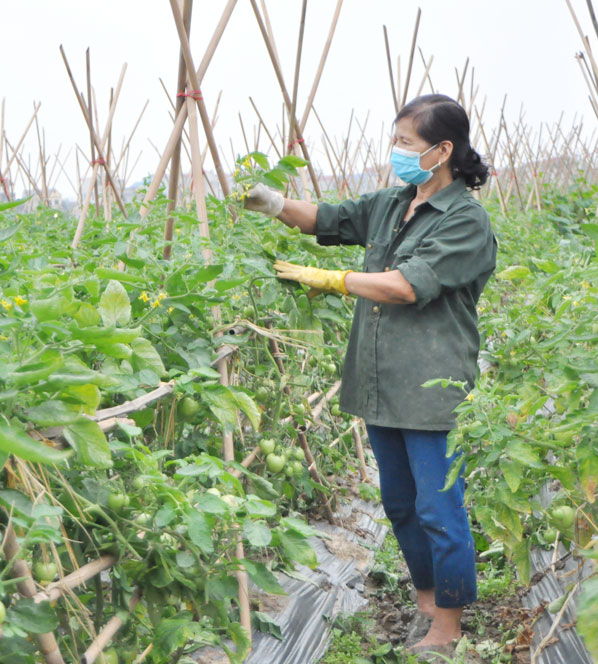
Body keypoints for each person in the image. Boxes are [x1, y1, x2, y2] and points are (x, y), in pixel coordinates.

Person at [243, 94, 497, 654]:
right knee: (402, 505)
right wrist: (274, 203)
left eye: (406, 143)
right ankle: (427, 605)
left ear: (442, 150)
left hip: (431, 387)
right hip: (381, 385)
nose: (396, 151)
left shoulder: (465, 220)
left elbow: (406, 285)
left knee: (438, 508)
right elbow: (329, 218)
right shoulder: (393, 202)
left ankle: (449, 627)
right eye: (397, 139)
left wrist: (333, 279)